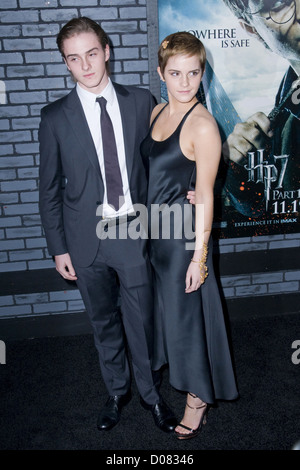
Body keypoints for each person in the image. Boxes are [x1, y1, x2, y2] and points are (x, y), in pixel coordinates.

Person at [38, 16, 178, 433]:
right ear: (66, 63)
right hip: (84, 239)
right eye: (74, 58)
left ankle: (151, 395)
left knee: (142, 323)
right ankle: (117, 390)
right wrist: (58, 248)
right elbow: (48, 189)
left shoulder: (140, 101)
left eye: (92, 54)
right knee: (103, 322)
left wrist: (190, 190)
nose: (85, 65)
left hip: (132, 230)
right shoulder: (54, 117)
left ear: (107, 51)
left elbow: (162, 163)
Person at [140, 32, 239, 440]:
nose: (184, 82)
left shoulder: (203, 125)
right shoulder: (158, 111)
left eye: (193, 73)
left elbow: (207, 200)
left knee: (187, 324)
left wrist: (199, 259)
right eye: (175, 73)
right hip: (156, 235)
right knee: (169, 320)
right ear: (161, 73)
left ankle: (197, 401)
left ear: (203, 73)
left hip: (184, 241)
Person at [221, 0, 300, 220]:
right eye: (279, 3)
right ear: (253, 30)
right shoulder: (281, 121)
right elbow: (260, 211)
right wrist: (236, 172)